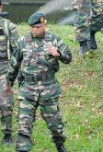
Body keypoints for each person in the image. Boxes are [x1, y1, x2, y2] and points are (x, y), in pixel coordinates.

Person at [8, 13, 72, 152]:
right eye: (32, 27)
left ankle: (59, 144)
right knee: (24, 125)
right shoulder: (22, 41)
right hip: (28, 90)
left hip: (48, 89)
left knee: (56, 126)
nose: (34, 30)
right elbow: (14, 64)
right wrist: (8, 83)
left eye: (37, 27)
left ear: (44, 25)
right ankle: (23, 149)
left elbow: (68, 58)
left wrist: (58, 54)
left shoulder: (54, 40)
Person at [0, 1, 19, 145]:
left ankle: (7, 135)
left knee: (6, 103)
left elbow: (17, 52)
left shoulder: (8, 26)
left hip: (4, 69)